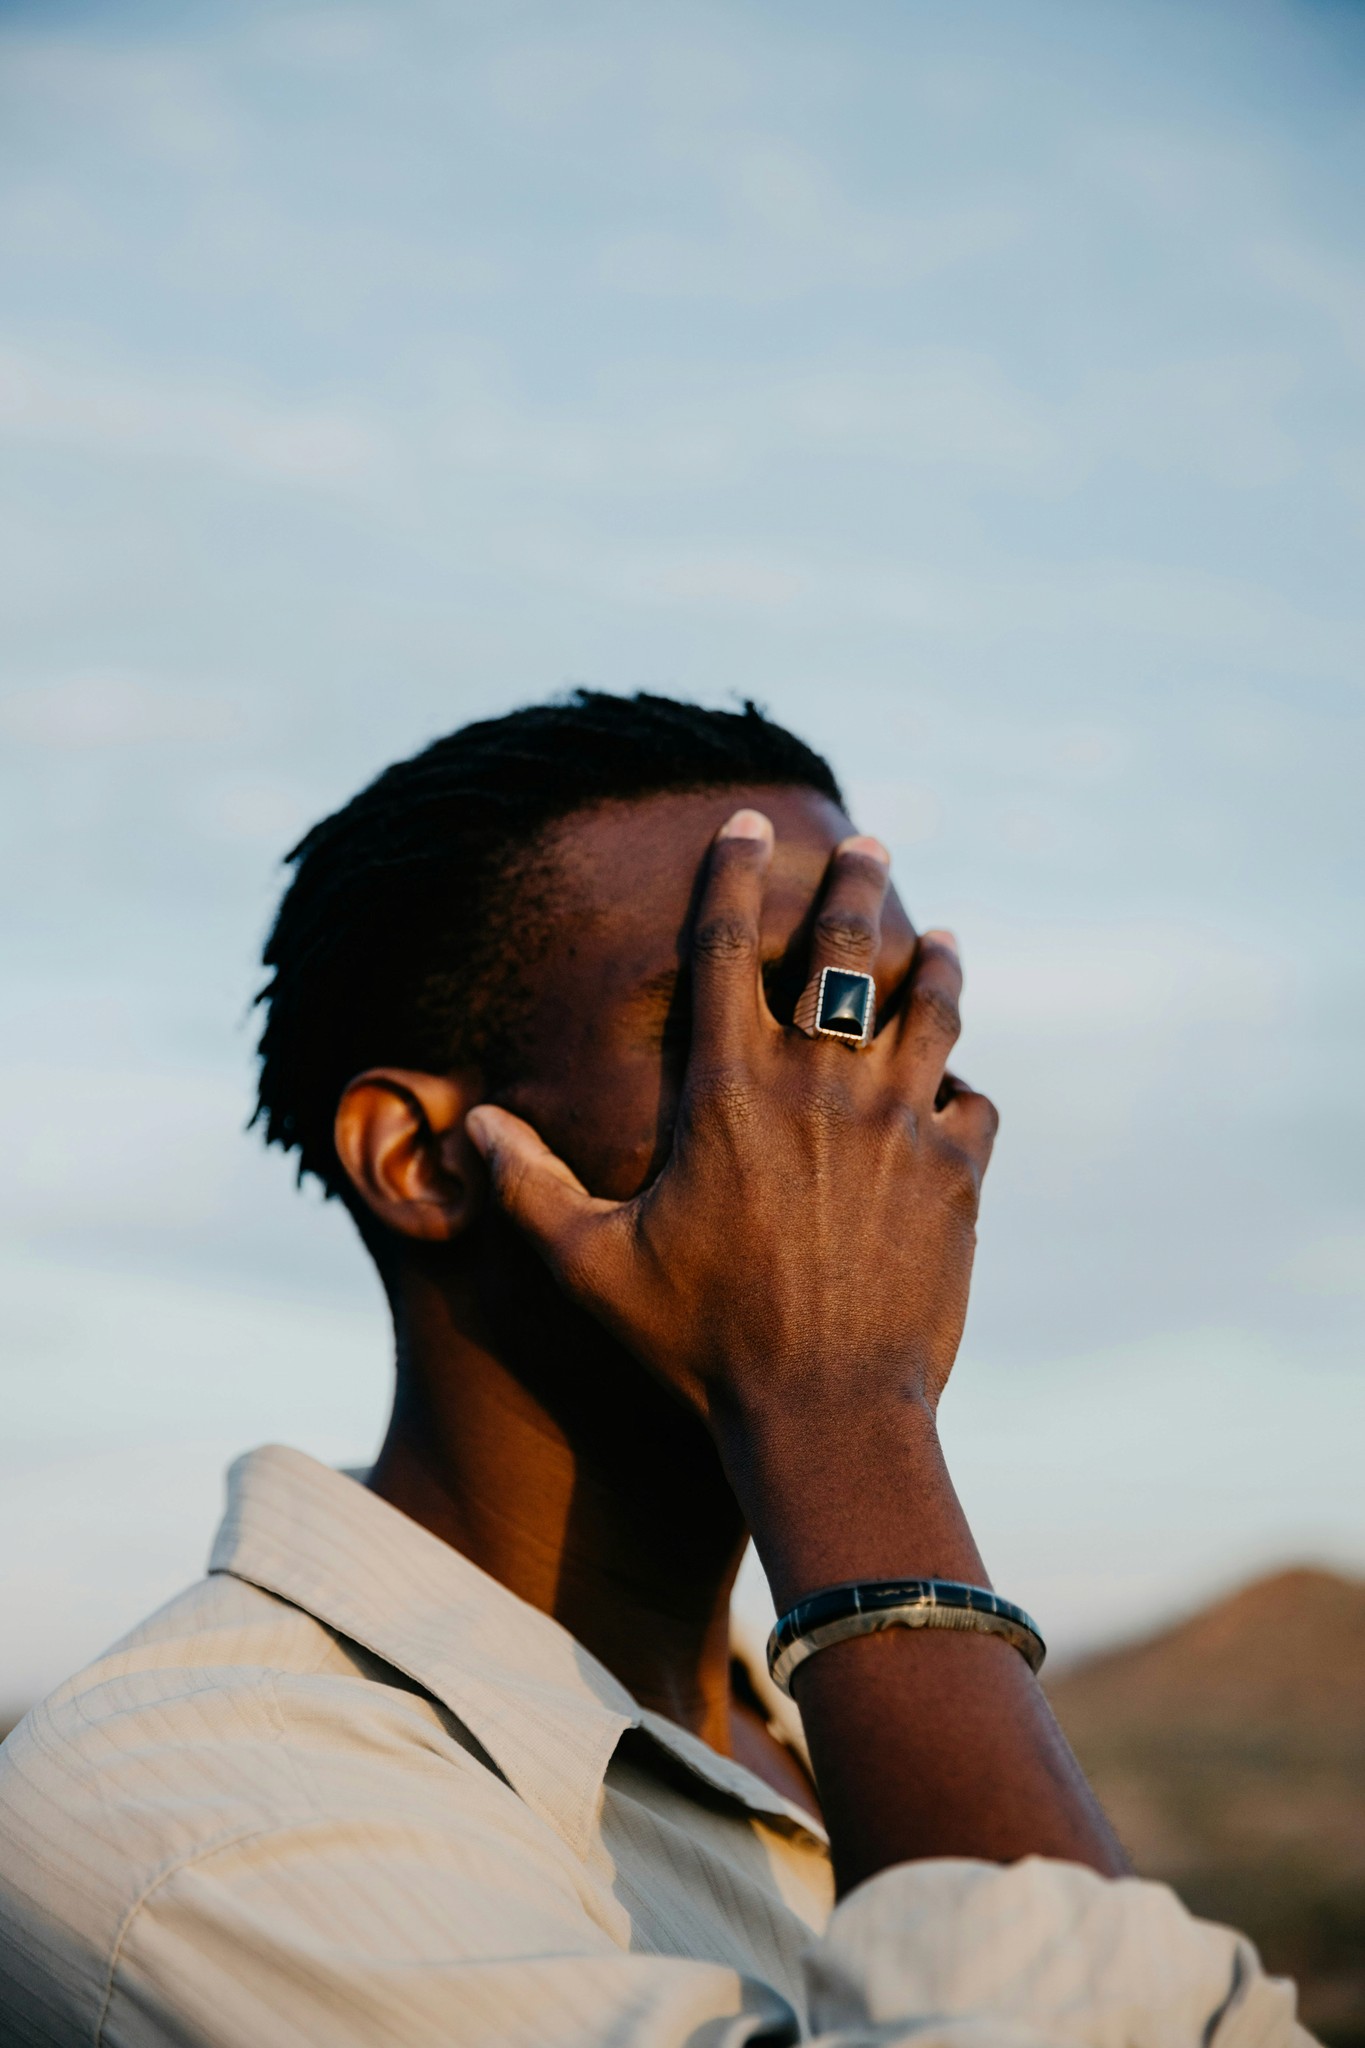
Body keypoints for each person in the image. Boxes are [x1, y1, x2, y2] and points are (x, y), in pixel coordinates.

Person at [0, 692, 1307, 2046]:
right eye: (746, 1019)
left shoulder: (825, 1734)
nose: (852, 1109)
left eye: (884, 1021)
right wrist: (845, 1409)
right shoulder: (193, 1820)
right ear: (424, 1160)